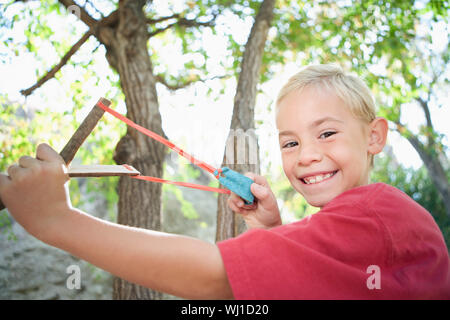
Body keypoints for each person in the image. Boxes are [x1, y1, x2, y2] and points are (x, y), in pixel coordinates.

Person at [0, 64, 448, 299]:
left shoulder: (378, 213)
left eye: (326, 133)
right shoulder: (367, 226)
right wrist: (274, 233)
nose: (306, 154)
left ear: (375, 136)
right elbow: (322, 280)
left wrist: (58, 221)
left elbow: (216, 278)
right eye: (289, 143)